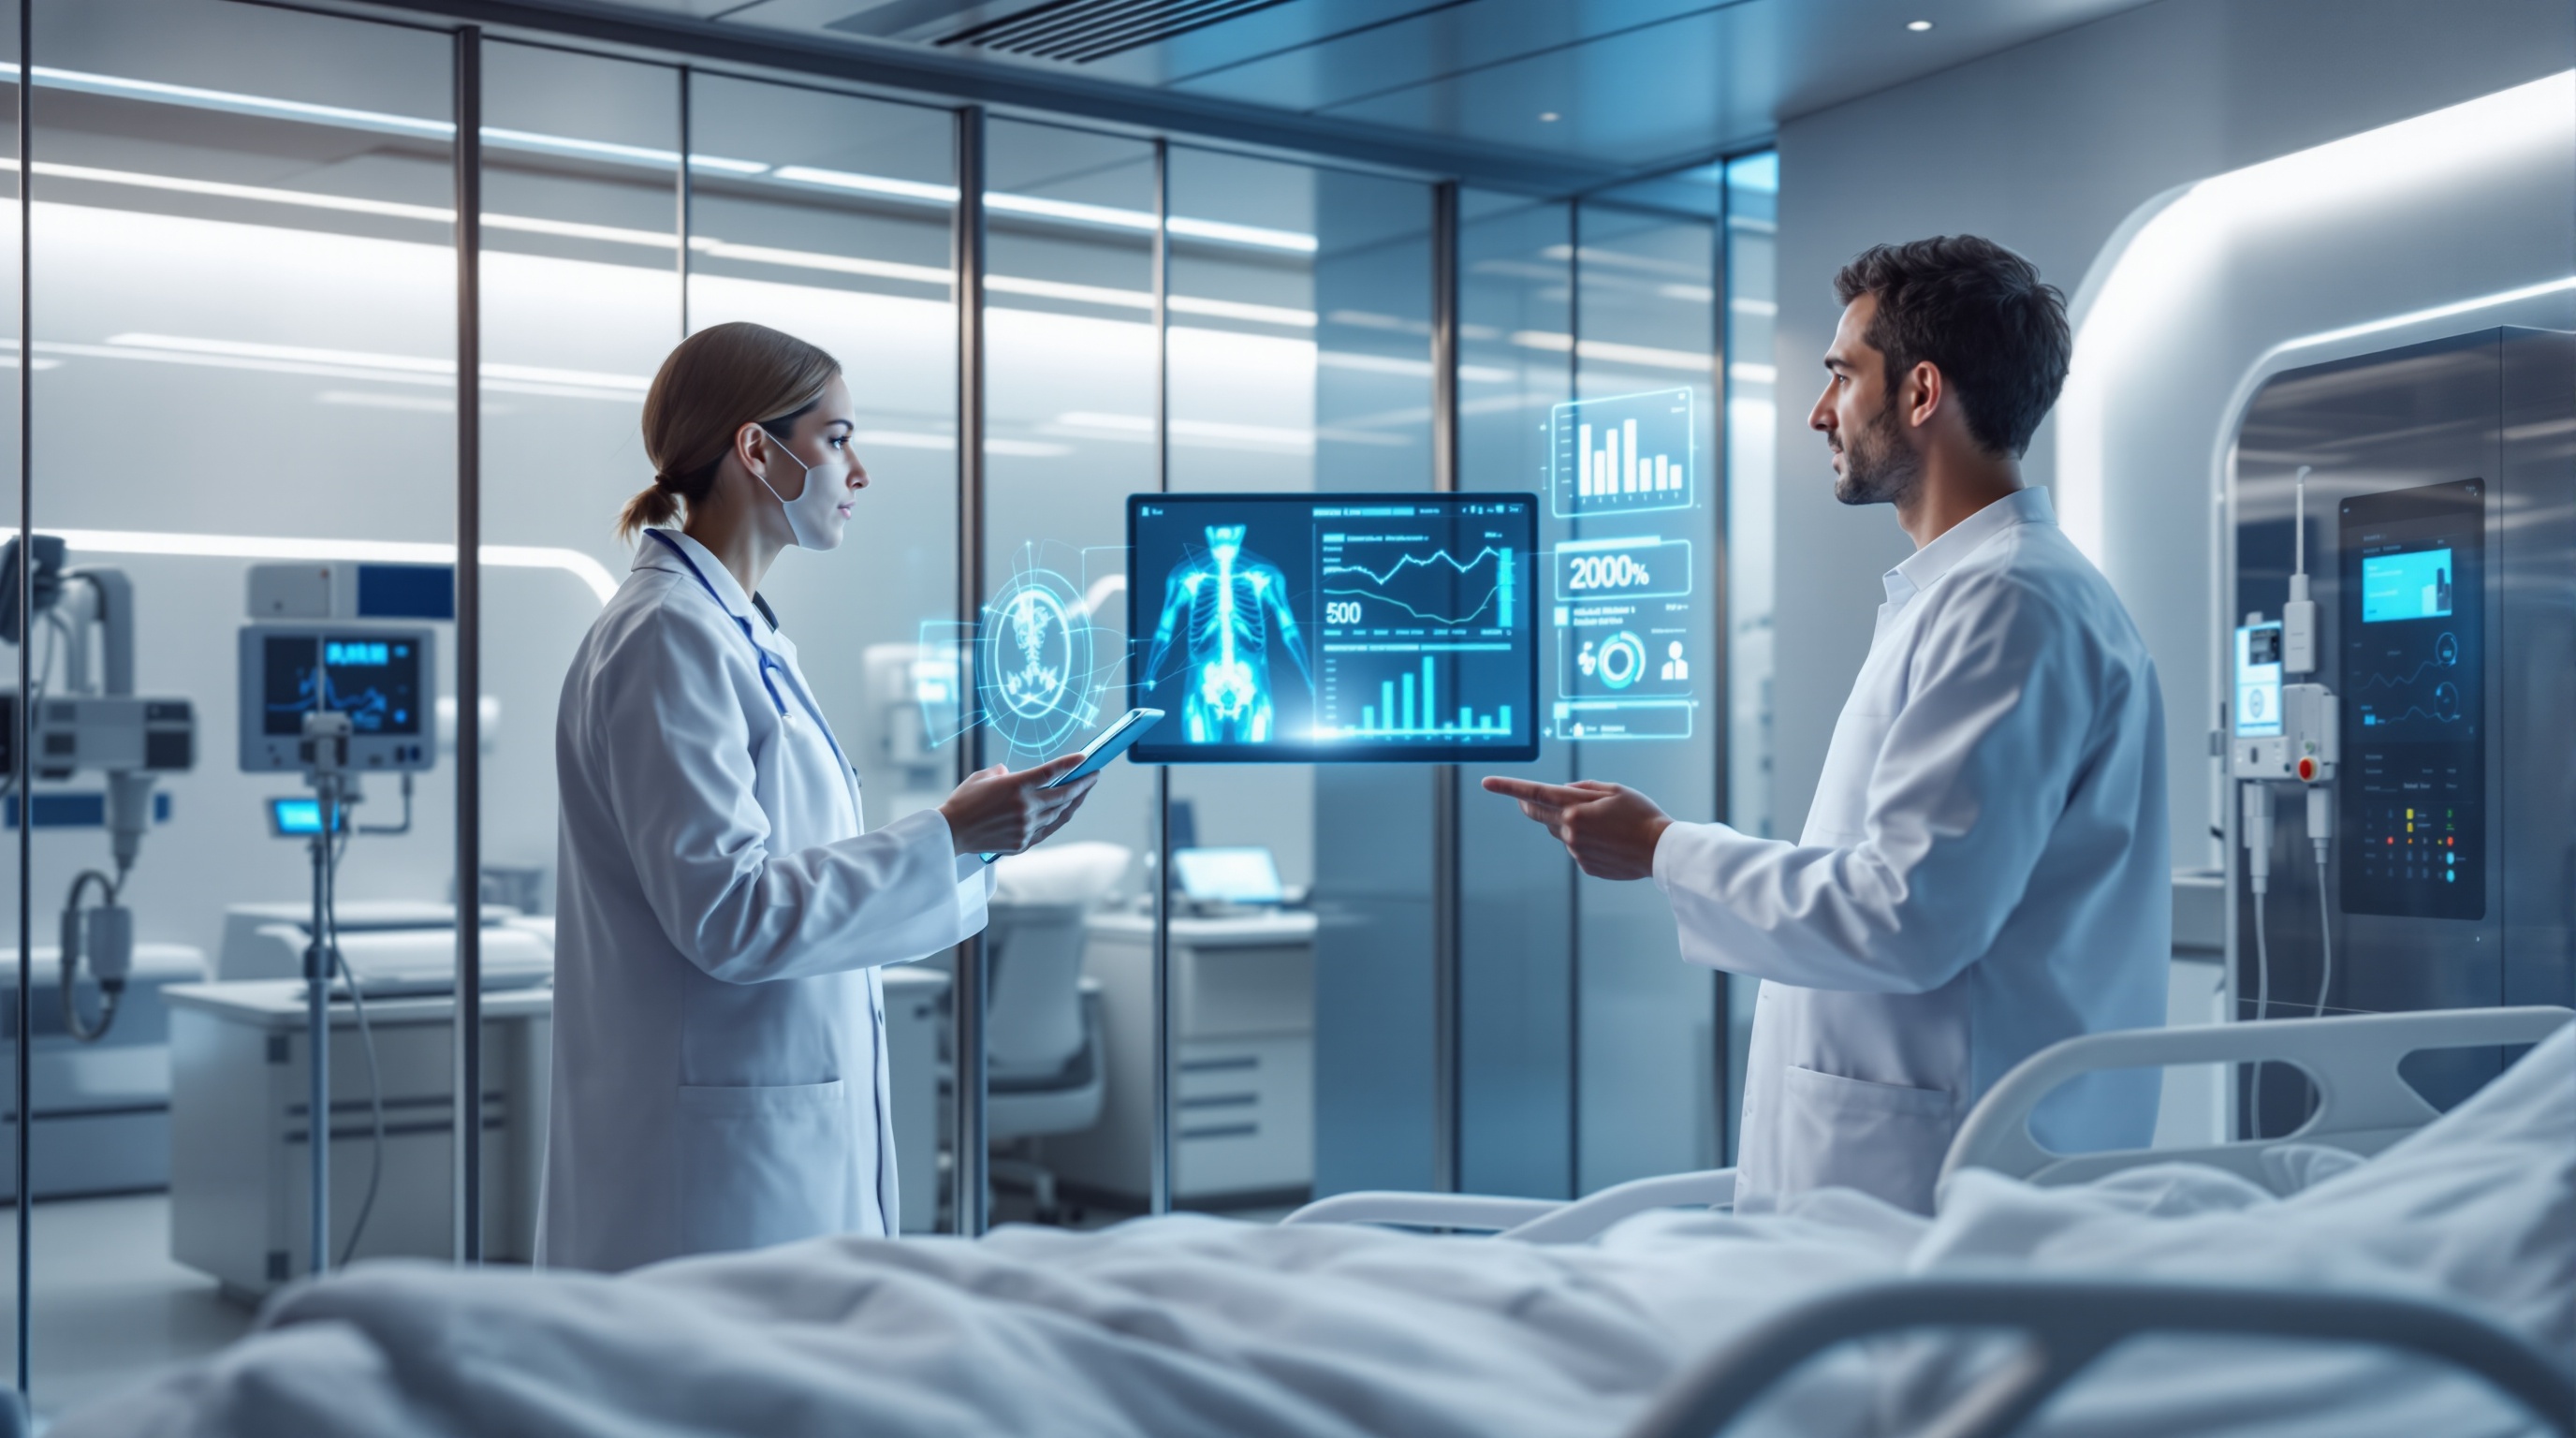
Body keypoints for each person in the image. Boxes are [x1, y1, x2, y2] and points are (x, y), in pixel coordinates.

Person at [1486, 237, 2168, 1216]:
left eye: (1842, 377)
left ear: (1921, 393)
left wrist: (1661, 849)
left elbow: (1908, 914)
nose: (1819, 413)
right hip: (1908, 1166)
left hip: (1938, 1186)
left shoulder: (2010, 605)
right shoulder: (1968, 597)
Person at [545, 322, 1097, 1271]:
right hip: (711, 1166)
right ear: (757, 450)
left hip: (757, 1136)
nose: (858, 471)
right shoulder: (668, 637)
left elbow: (771, 884)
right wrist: (946, 836)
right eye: (836, 439)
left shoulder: (729, 633)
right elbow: (728, 915)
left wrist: (964, 839)